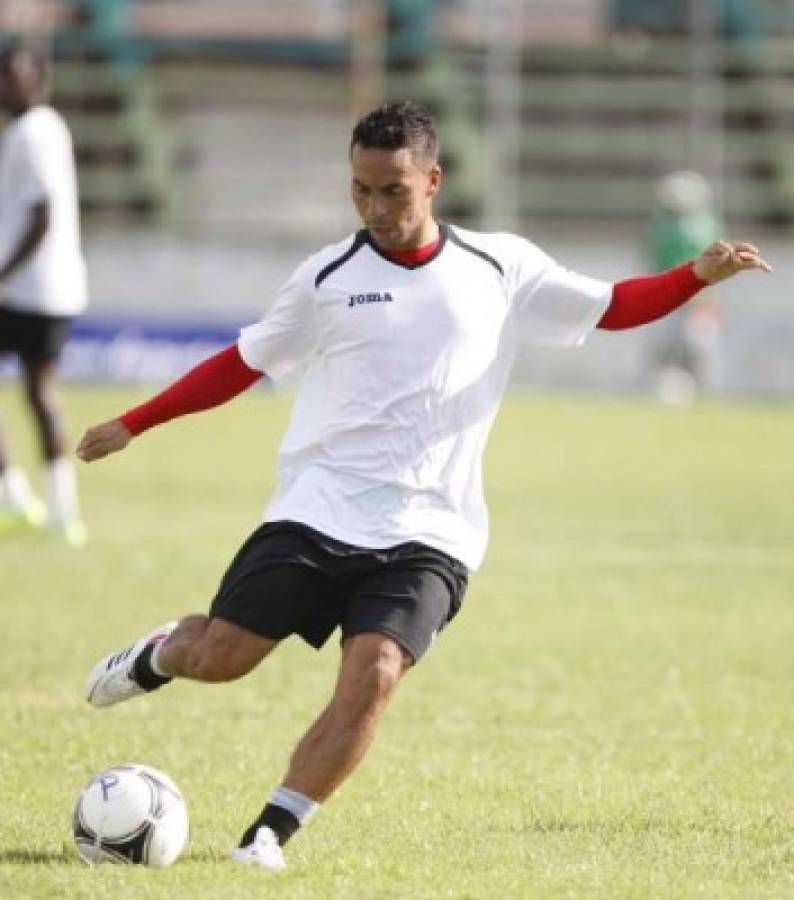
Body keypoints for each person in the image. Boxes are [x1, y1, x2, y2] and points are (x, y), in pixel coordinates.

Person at [77, 101, 770, 870]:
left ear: (432, 181)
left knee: (373, 673)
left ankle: (268, 832)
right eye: (361, 191)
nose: (376, 209)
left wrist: (696, 275)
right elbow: (240, 364)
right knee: (221, 657)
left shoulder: (500, 266)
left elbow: (610, 307)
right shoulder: (326, 278)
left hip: (432, 531)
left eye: (393, 192)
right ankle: (159, 654)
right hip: (318, 510)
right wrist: (135, 422)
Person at [0, 43, 87, 545]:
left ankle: (18, 495)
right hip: (51, 285)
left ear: (38, 77)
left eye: (14, 75)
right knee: (40, 391)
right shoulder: (46, 127)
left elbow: (41, 215)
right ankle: (59, 511)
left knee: (41, 392)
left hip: (27, 287)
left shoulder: (31, 132)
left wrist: (4, 274)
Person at [647, 170, 723, 403]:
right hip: (674, 298)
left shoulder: (704, 226)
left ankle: (701, 392)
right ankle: (673, 391)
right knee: (671, 349)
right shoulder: (664, 228)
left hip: (695, 301)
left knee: (696, 348)